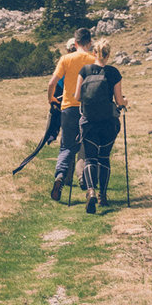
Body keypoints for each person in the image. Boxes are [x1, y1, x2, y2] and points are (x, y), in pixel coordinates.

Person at [74, 40, 126, 214]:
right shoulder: (113, 73)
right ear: (108, 54)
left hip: (89, 122)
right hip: (108, 122)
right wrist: (124, 102)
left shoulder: (85, 71)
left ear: (94, 53)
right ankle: (103, 195)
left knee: (90, 158)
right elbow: (119, 101)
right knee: (104, 157)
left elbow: (77, 96)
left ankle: (91, 192)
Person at [47, 27, 97, 201]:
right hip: (89, 109)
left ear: (75, 43)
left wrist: (51, 99)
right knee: (89, 147)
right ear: (90, 43)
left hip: (68, 107)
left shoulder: (65, 59)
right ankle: (89, 186)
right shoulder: (94, 59)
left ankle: (60, 177)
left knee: (67, 147)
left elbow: (51, 83)